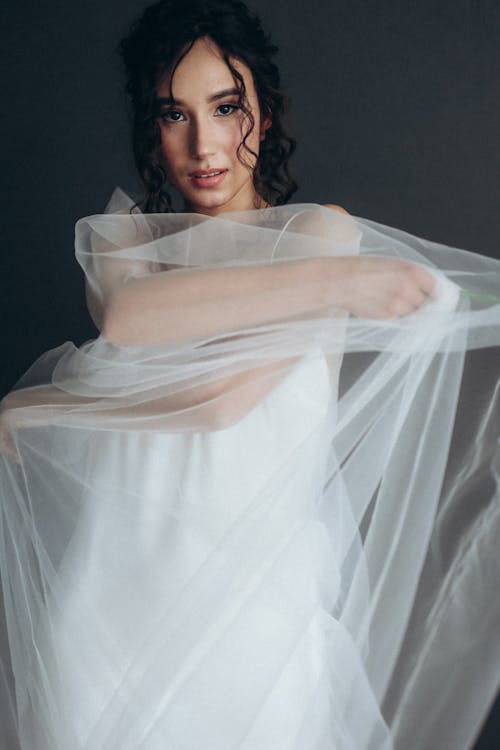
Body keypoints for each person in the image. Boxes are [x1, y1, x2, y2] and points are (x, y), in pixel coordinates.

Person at [0, 1, 499, 749]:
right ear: (151, 129)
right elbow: (130, 318)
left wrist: (37, 408)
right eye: (175, 113)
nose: (204, 144)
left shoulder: (317, 235)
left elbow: (220, 400)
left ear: (262, 116)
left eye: (226, 107)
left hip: (248, 620)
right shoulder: (123, 241)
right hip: (107, 605)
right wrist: (340, 286)